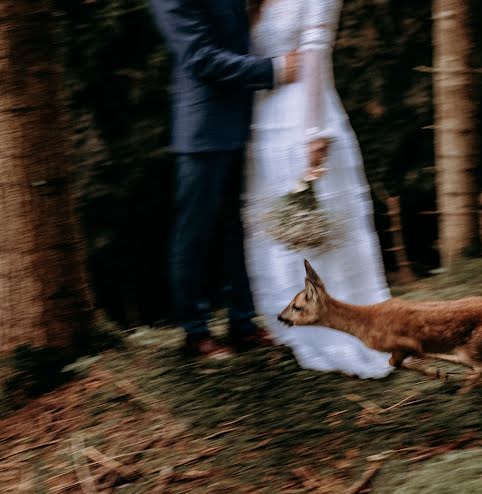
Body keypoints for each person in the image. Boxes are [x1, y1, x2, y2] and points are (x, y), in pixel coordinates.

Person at [244, 0, 393, 379]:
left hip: (302, 116)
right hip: (264, 122)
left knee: (324, 230)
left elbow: (315, 56)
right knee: (282, 231)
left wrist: (314, 130)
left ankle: (345, 328)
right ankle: (293, 323)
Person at [147, 0, 299, 358]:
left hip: (247, 121)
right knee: (195, 232)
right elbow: (200, 58)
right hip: (203, 130)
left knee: (240, 228)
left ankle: (243, 323)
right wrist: (272, 70)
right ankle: (195, 332)